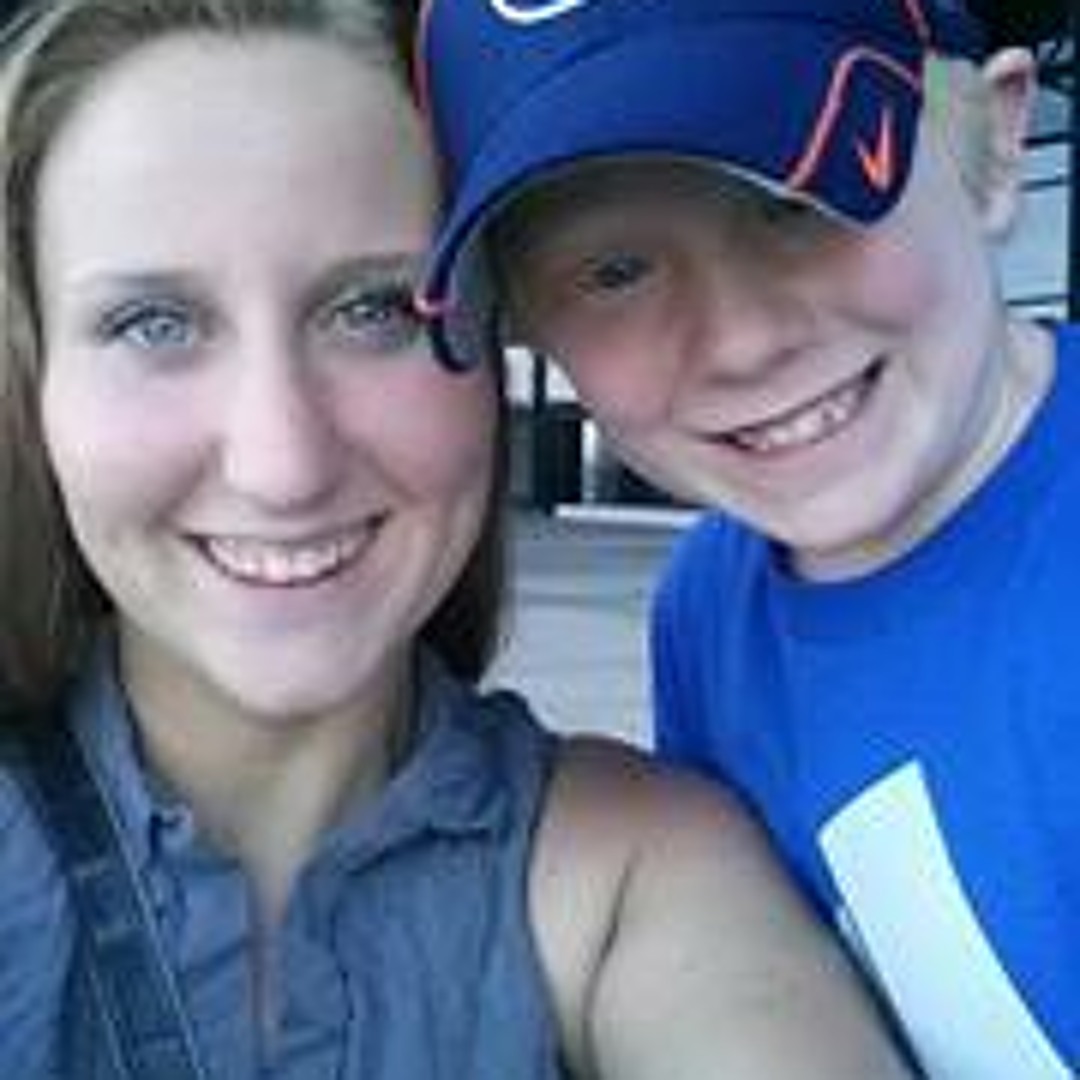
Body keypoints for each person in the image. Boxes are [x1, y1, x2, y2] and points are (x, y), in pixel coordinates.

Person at [0, 0, 916, 1076]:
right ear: (34, 380)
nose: (281, 465)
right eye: (153, 324)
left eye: (375, 310)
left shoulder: (637, 878)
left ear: (493, 344)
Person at [417, 0, 1079, 1076]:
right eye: (614, 273)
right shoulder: (707, 610)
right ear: (531, 334)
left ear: (995, 149)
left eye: (796, 199)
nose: (742, 340)